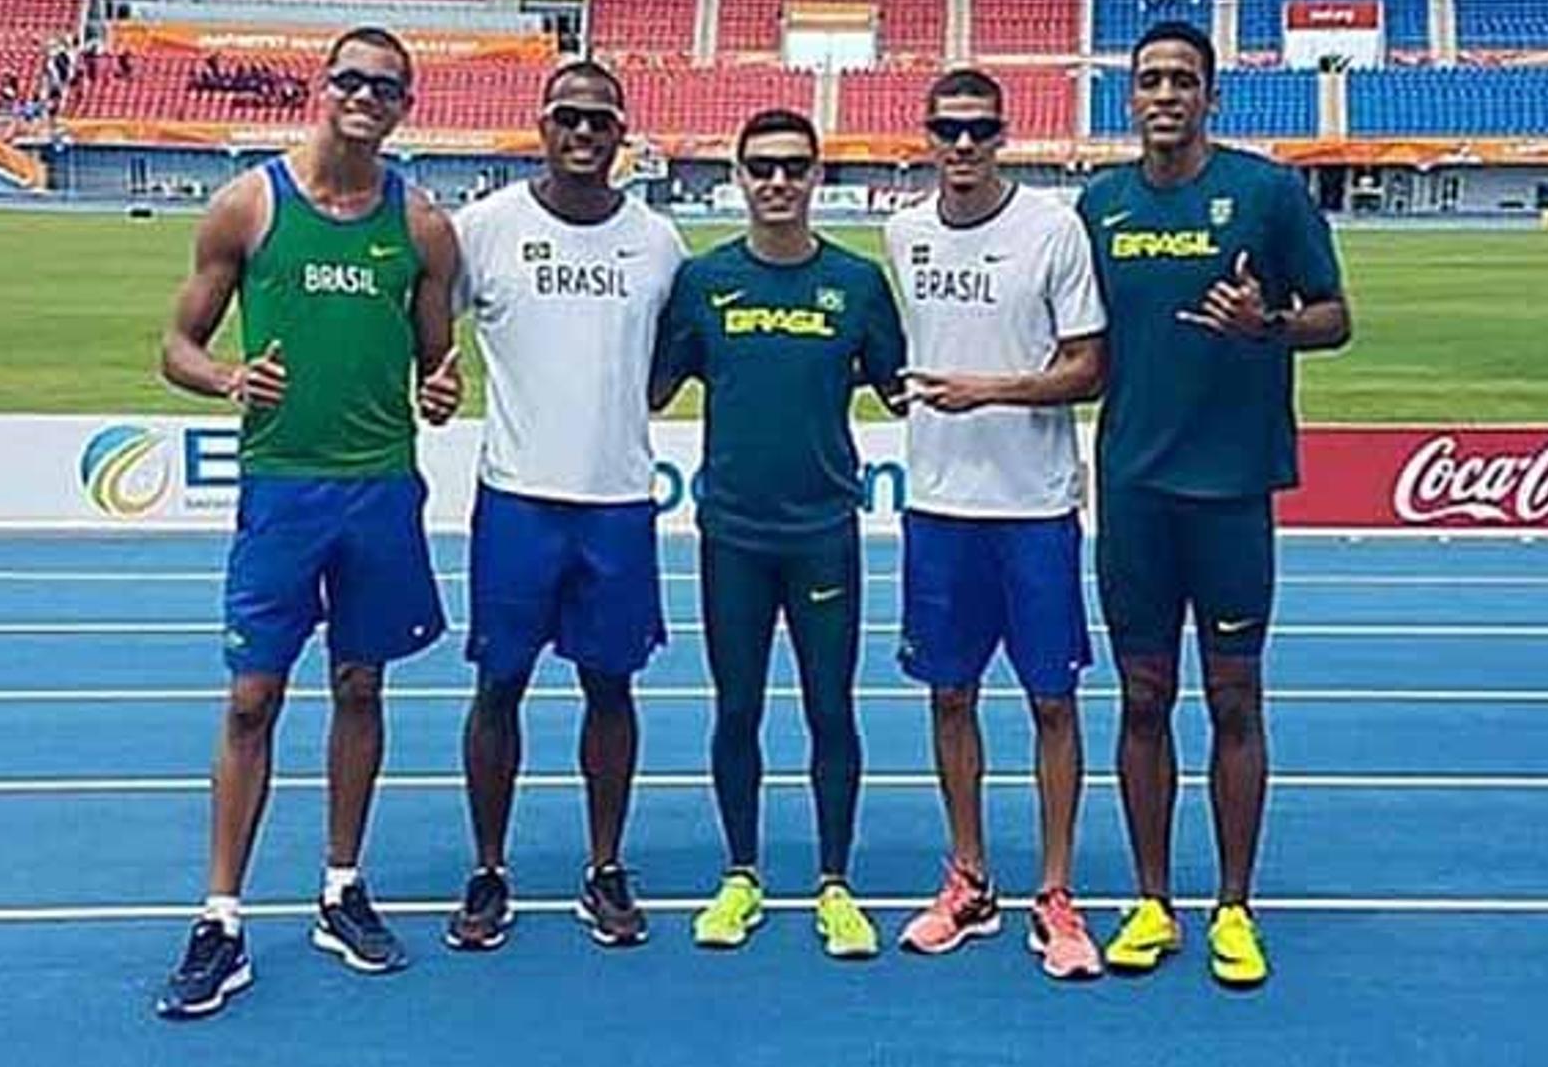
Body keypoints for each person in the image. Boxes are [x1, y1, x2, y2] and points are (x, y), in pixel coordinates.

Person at [152, 27, 461, 1019]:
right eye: (352, 79)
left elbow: (434, 365)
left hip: (379, 487)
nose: (367, 96)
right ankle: (221, 914)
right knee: (252, 698)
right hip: (282, 487)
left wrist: (445, 388)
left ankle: (341, 886)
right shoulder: (249, 203)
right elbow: (176, 343)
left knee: (361, 686)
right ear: (323, 88)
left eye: (387, 86)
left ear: (404, 107)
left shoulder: (419, 224)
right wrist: (227, 377)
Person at [1078, 21, 1350, 988]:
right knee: (1143, 698)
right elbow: (1082, 345)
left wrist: (1266, 324)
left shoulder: (1266, 192)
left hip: (1232, 491)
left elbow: (1335, 316)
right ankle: (1151, 902)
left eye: (1182, 80)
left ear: (1209, 96)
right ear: (1130, 96)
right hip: (1135, 494)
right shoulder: (1099, 204)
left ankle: (1235, 908)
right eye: (1149, 79)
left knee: (1235, 697)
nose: (1164, 95)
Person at [650, 109, 907, 958]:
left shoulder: (858, 284)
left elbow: (907, 387)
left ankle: (836, 884)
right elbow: (645, 386)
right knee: (737, 708)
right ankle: (741, 875)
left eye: (794, 168)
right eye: (761, 167)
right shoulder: (701, 281)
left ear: (816, 177)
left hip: (824, 531)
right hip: (732, 533)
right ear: (739, 174)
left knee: (832, 708)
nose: (777, 183)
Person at [444, 60, 686, 951]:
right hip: (516, 501)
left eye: (599, 121)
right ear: (540, 126)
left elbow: (670, 358)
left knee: (610, 686)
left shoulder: (660, 242)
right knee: (497, 684)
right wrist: (435, 370)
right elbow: (429, 320)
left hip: (618, 502)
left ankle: (604, 864)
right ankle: (488, 868)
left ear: (623, 133)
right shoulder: (486, 228)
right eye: (567, 118)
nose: (583, 134)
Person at [885, 68, 1109, 981]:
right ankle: (969, 878)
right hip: (939, 505)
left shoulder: (1054, 228)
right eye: (949, 130)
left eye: (980, 131)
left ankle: (1054, 891)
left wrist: (992, 391)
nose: (965, 146)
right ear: (928, 137)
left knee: (1052, 700)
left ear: (1003, 135)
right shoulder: (903, 233)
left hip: (1034, 506)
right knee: (949, 695)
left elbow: (1088, 366)